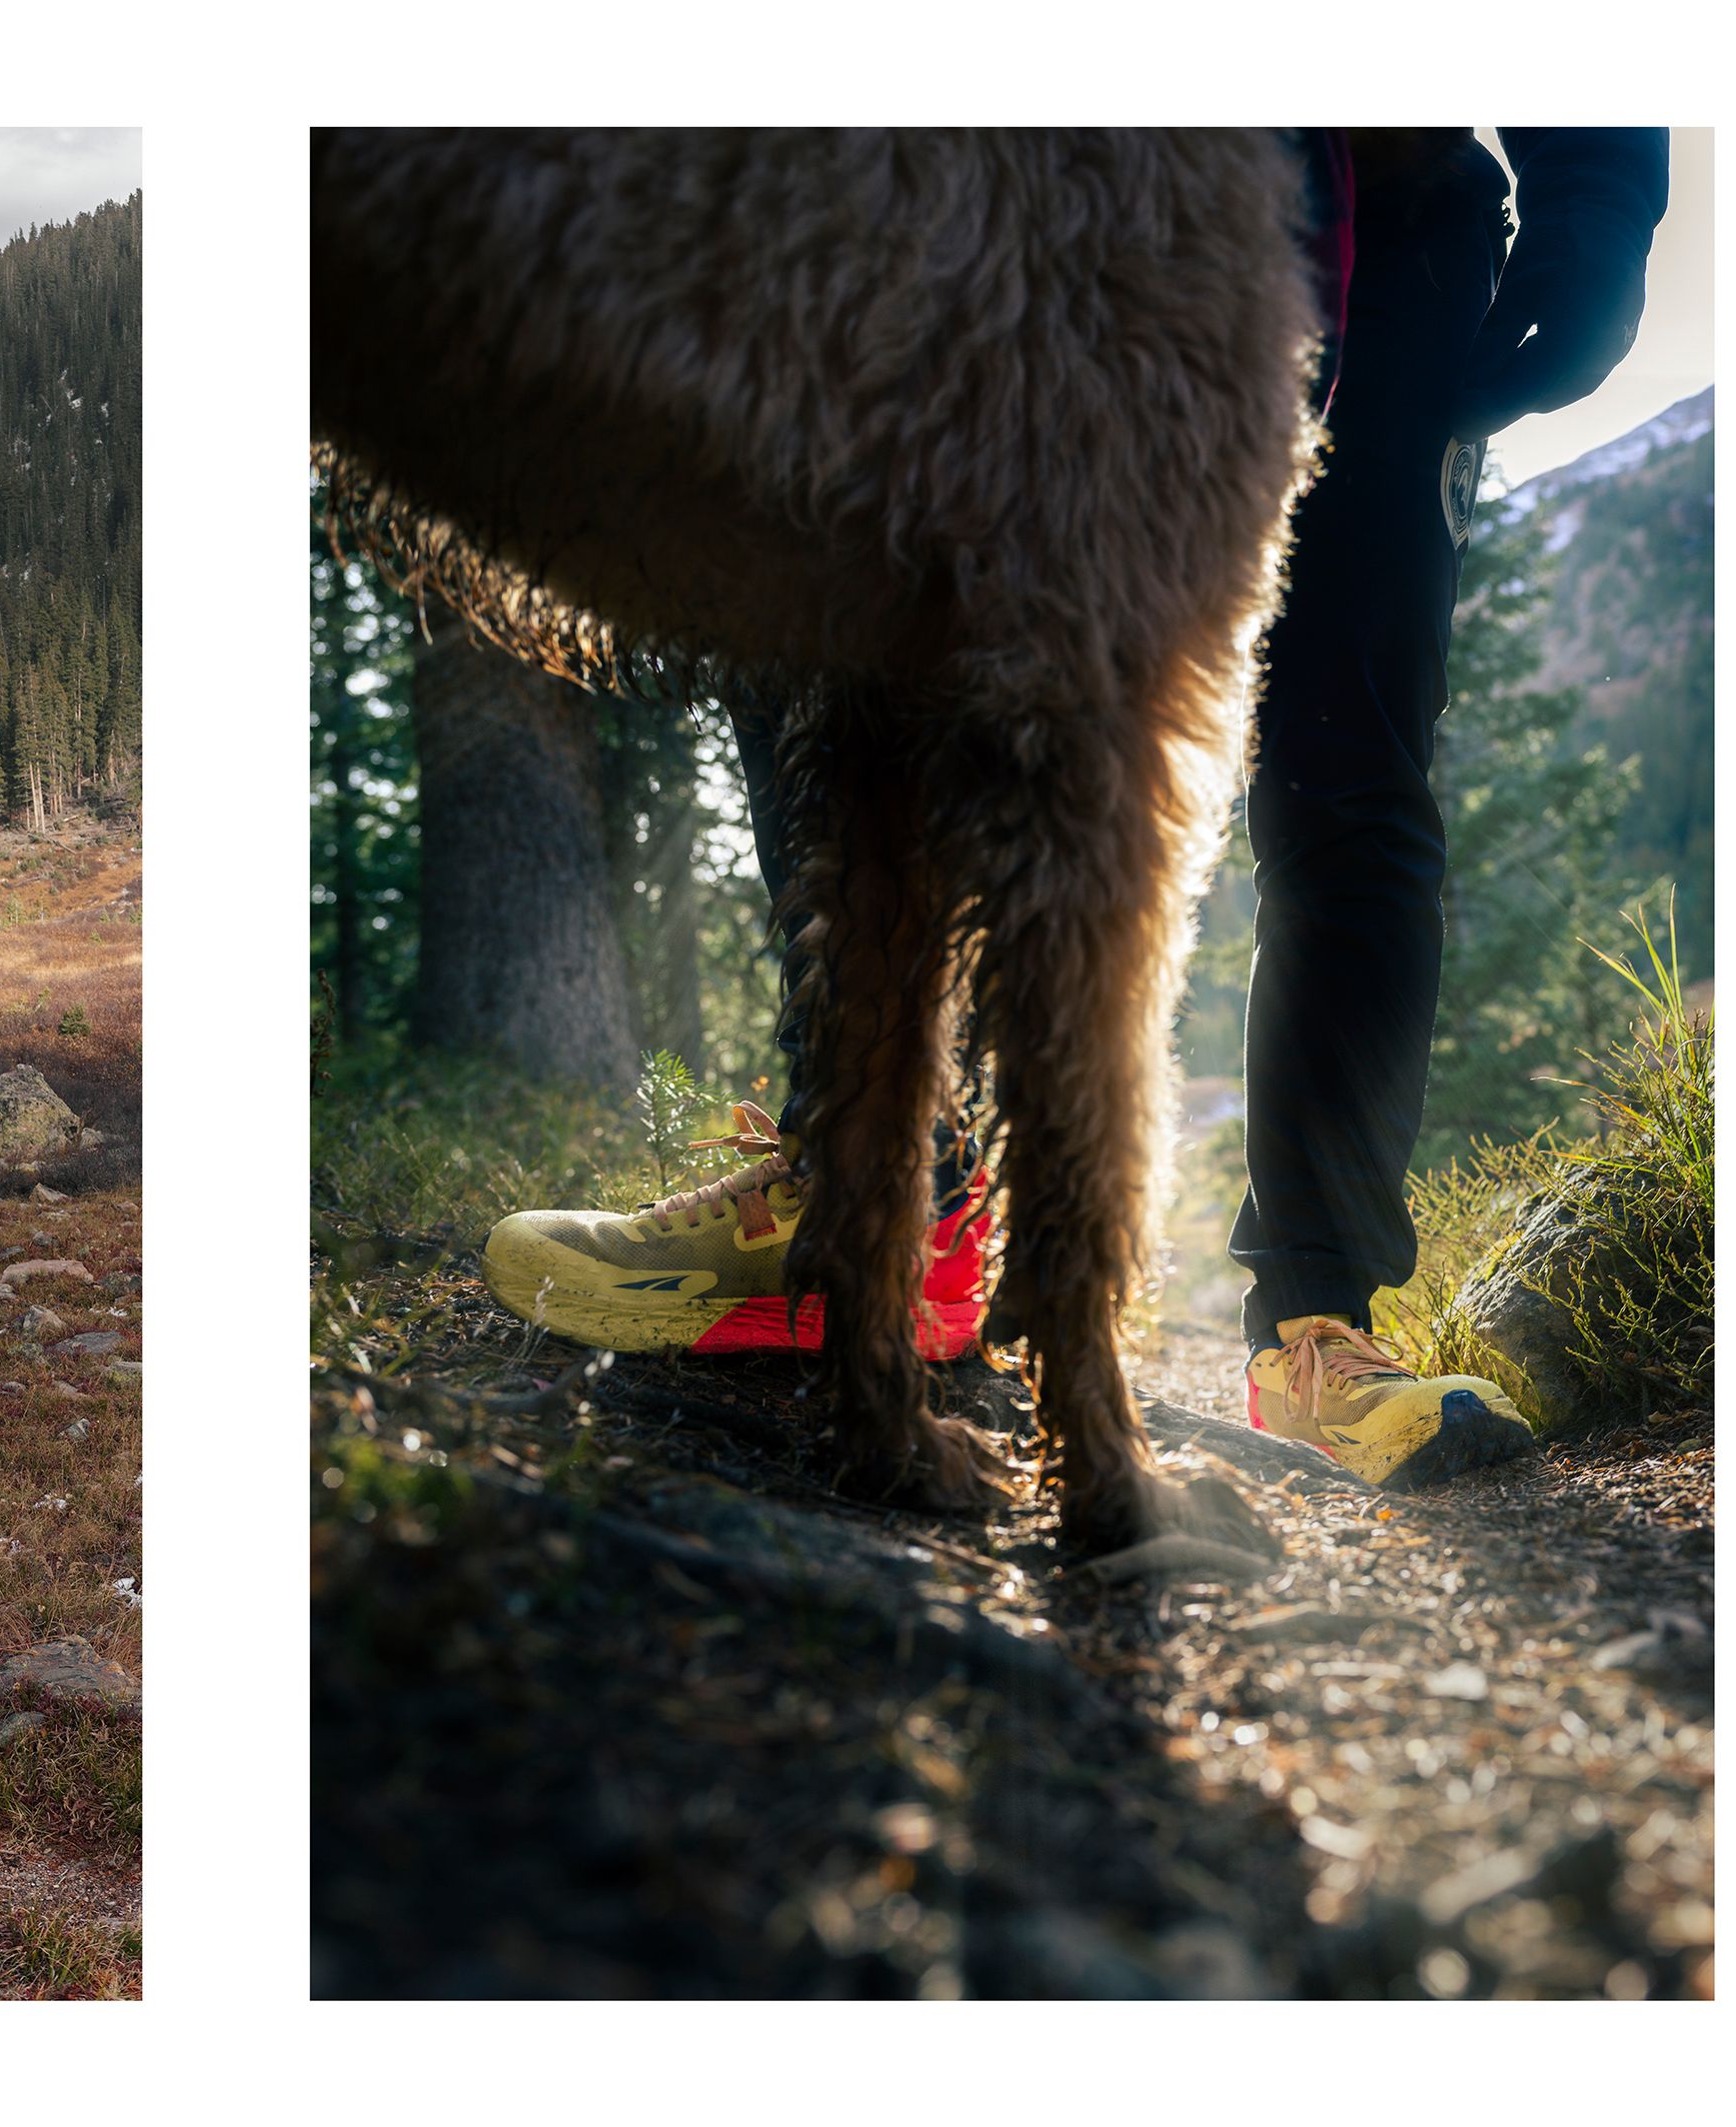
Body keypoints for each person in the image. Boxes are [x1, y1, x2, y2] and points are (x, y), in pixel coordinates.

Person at [483, 127, 1668, 1493]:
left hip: (1381, 239)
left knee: (1351, 790)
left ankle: (1319, 1329)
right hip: (1033, 196)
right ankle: (874, 1207)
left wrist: (1603, 191)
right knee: (878, 656)